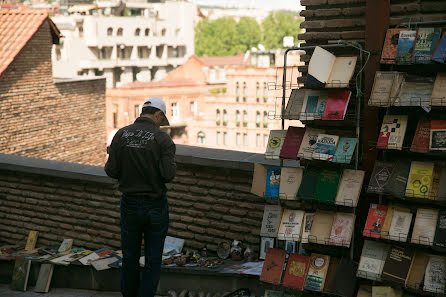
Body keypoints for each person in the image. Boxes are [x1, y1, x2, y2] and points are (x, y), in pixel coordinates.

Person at [105, 97, 176, 297]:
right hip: (155, 205)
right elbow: (168, 175)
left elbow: (111, 170)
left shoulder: (121, 134)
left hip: (129, 204)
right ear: (158, 114)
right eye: (162, 119)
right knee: (153, 259)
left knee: (130, 256)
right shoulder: (162, 139)